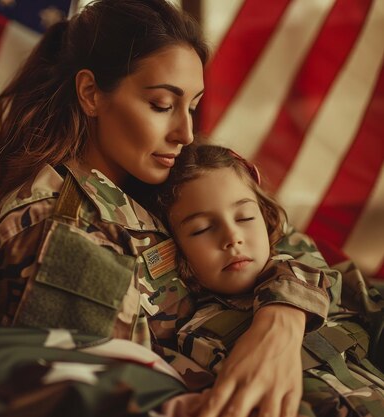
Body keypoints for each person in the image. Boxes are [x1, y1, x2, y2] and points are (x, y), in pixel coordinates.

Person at [0, 1, 329, 416]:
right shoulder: (59, 236)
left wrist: (280, 320)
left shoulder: (154, 179)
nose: (186, 132)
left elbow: (285, 238)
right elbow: (125, 396)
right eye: (162, 105)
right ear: (91, 94)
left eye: (192, 106)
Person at [153, 143, 384, 416]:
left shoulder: (325, 281)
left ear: (267, 219)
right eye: (202, 229)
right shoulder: (189, 335)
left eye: (245, 217)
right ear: (176, 249)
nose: (232, 238)